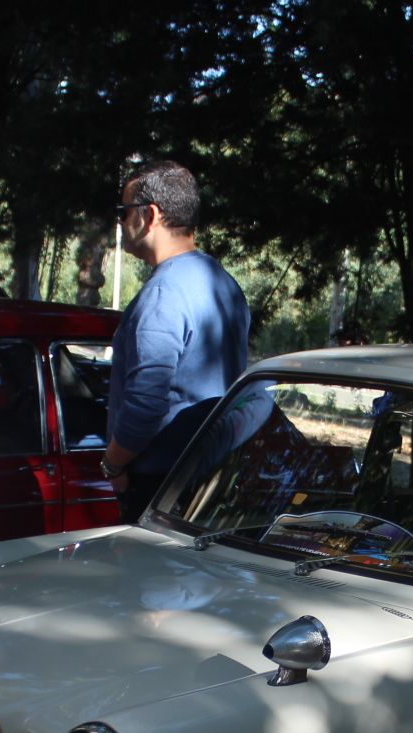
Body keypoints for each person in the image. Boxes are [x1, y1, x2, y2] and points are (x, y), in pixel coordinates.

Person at [101, 159, 250, 521]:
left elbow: (144, 405)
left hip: (160, 488)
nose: (120, 222)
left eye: (124, 211)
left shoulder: (163, 294)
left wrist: (113, 466)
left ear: (149, 215)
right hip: (209, 480)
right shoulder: (223, 283)